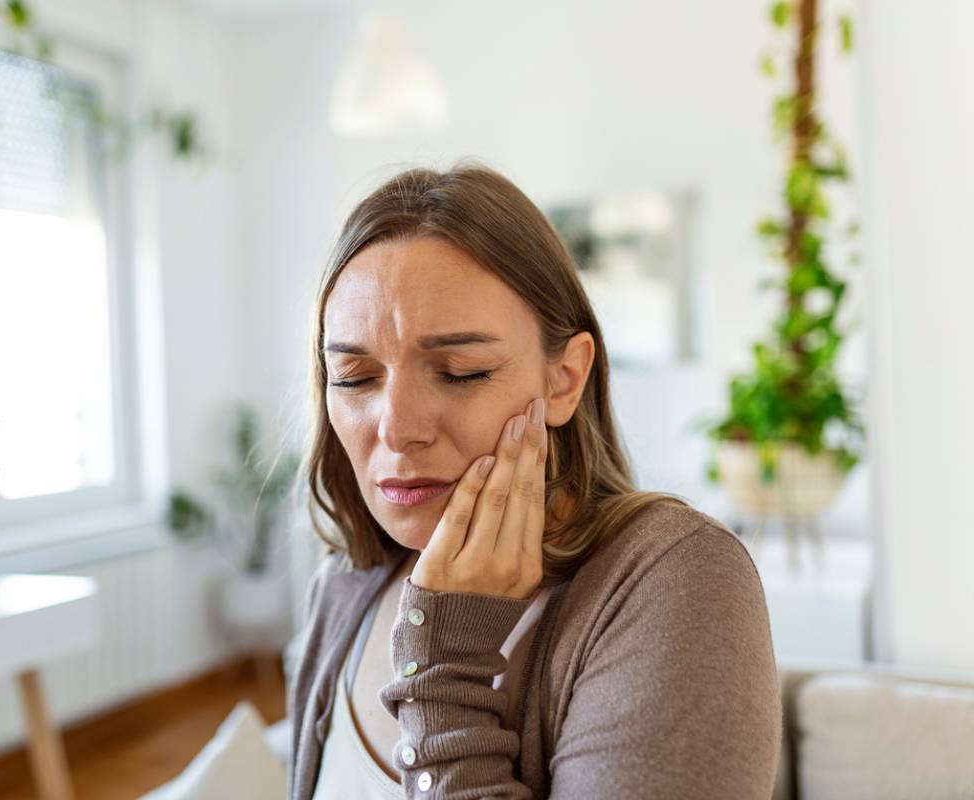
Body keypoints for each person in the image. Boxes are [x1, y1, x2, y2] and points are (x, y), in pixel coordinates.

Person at [285, 161, 781, 799]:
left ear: (563, 379)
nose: (397, 428)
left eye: (461, 371)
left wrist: (446, 670)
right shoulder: (343, 586)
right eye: (353, 378)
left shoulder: (675, 580)